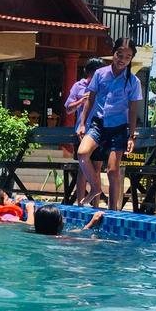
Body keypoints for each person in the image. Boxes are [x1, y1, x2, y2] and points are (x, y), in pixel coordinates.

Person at [77, 38, 144, 211]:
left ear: (131, 59)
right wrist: (82, 123)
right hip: (98, 124)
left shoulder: (133, 81)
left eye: (127, 56)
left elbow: (133, 109)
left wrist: (131, 135)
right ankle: (96, 187)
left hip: (118, 128)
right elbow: (90, 99)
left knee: (113, 171)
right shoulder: (100, 74)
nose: (122, 59)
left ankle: (113, 210)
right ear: (113, 53)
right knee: (82, 153)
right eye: (119, 54)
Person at [65, 58, 107, 206]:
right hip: (82, 132)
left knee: (97, 167)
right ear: (89, 73)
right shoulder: (79, 86)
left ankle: (95, 205)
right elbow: (68, 109)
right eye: (96, 73)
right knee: (83, 168)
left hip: (99, 130)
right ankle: (80, 203)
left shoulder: (103, 87)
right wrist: (81, 101)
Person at [25, 202, 105, 237]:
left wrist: (91, 223)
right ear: (58, 224)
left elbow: (77, 231)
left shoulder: (32, 232)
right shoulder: (59, 238)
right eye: (61, 218)